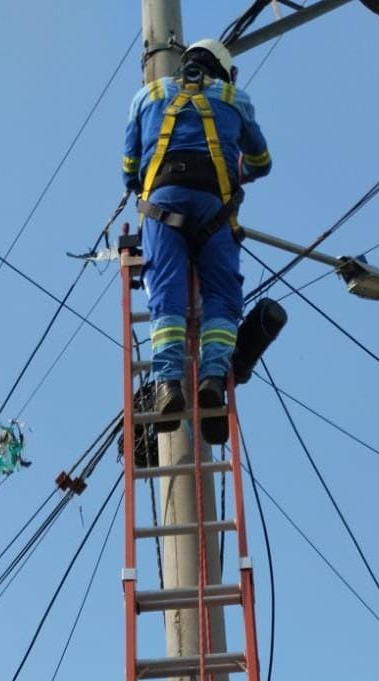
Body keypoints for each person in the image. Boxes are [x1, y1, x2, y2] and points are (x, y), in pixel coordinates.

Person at [122, 38, 272, 443]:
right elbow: (261, 162)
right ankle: (212, 379)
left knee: (165, 293)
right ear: (226, 71)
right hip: (214, 207)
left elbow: (129, 168)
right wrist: (236, 169)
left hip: (162, 202)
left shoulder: (147, 96)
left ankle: (168, 383)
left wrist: (145, 180)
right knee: (222, 295)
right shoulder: (234, 98)